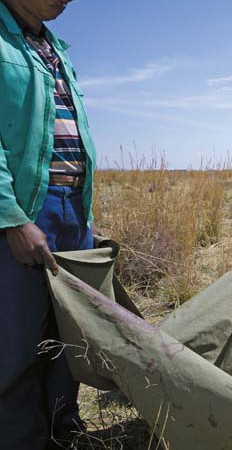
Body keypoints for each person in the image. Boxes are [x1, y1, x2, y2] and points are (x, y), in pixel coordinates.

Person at [0, 0, 95, 447]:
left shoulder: (57, 49)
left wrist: (85, 210)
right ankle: (22, 438)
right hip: (25, 210)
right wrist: (11, 219)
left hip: (72, 208)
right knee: (16, 340)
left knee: (68, 332)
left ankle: (65, 428)